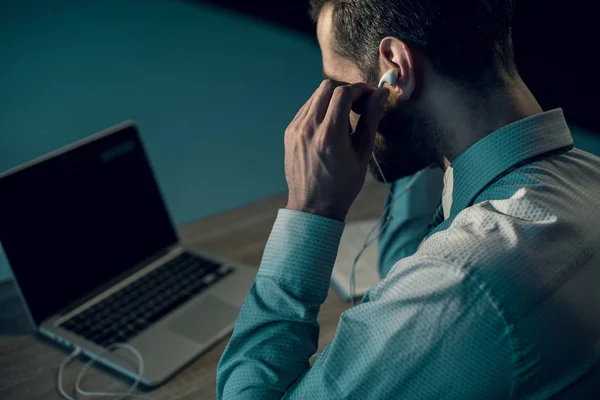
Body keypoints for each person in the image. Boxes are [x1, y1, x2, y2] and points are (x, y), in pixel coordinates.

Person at [217, 0, 600, 398]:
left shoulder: (461, 280)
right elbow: (410, 255)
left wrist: (310, 209)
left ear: (393, 69)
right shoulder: (589, 178)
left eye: (338, 83)